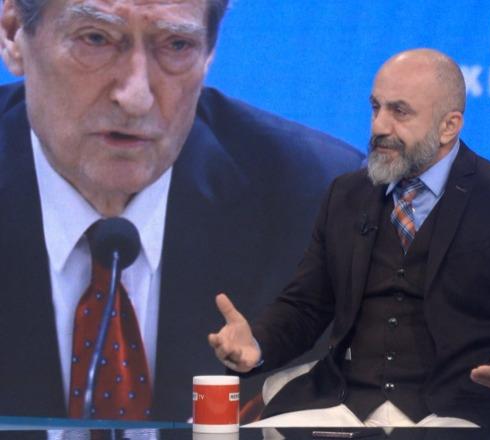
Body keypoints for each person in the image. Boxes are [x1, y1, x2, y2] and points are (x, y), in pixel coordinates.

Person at [0, 0, 362, 422]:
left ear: (209, 53)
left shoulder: (320, 205)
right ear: (13, 33)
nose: (136, 98)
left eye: (176, 45)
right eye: (95, 39)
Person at [209, 48, 490, 427]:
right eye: (376, 108)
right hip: (347, 406)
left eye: (399, 112)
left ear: (449, 126)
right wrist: (256, 344)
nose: (379, 127)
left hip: (460, 411)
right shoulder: (346, 195)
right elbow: (305, 306)